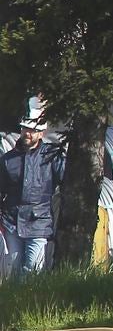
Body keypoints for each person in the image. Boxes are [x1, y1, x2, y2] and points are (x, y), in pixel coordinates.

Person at [0, 107, 65, 278]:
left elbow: (67, 181)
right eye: (25, 129)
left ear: (41, 133)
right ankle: (13, 304)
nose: (28, 133)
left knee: (33, 271)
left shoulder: (52, 156)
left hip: (39, 225)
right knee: (12, 270)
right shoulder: (7, 160)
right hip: (12, 223)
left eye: (33, 130)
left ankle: (30, 302)